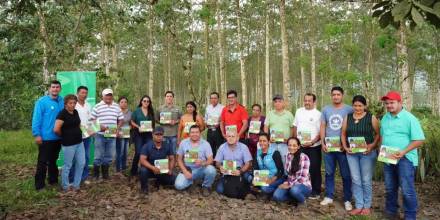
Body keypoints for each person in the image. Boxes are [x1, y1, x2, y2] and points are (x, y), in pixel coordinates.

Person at [380, 91, 425, 220]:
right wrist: (381, 149)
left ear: (400, 103)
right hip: (388, 157)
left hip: (405, 159)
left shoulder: (410, 118)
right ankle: (391, 212)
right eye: (387, 103)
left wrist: (403, 151)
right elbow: (383, 135)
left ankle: (410, 216)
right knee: (390, 187)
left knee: (407, 190)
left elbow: (419, 139)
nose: (389, 105)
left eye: (392, 102)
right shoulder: (385, 117)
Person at [341, 95, 380, 216]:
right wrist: (346, 147)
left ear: (365, 106)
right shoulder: (348, 117)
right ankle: (358, 205)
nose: (357, 108)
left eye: (360, 105)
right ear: (352, 106)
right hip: (352, 154)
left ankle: (367, 206)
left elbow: (378, 134)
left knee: (366, 180)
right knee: (356, 179)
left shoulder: (371, 117)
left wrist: (372, 146)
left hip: (367, 154)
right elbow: (343, 134)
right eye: (355, 105)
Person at [320, 86, 353, 211]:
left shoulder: (349, 109)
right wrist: (322, 142)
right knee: (329, 172)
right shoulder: (326, 109)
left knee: (345, 174)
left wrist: (347, 145)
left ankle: (347, 199)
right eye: (334, 94)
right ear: (331, 96)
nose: (336, 96)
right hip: (328, 147)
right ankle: (329, 196)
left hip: (343, 148)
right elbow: (323, 126)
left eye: (338, 94)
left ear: (342, 95)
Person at [32, 80, 64, 190]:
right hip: (45, 138)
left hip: (58, 137)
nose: (55, 89)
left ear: (60, 89)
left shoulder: (62, 101)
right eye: (53, 87)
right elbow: (36, 119)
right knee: (42, 162)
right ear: (49, 89)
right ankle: (39, 185)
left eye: (57, 87)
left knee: (53, 160)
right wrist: (37, 135)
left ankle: (53, 180)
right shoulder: (41, 102)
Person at [90, 88, 124, 180]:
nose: (108, 97)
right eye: (106, 95)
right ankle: (96, 175)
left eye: (110, 95)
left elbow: (121, 119)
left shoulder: (117, 106)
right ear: (103, 96)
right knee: (98, 155)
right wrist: (100, 126)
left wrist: (117, 128)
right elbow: (92, 119)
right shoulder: (97, 106)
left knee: (109, 155)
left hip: (112, 134)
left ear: (112, 96)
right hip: (100, 134)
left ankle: (105, 175)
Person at [293, 93, 322, 199]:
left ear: (314, 102)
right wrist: (295, 140)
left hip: (314, 146)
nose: (307, 102)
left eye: (309, 100)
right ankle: (301, 188)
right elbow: (295, 126)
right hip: (300, 146)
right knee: (299, 167)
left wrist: (312, 142)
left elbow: (320, 132)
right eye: (305, 100)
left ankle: (316, 191)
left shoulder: (319, 114)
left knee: (314, 168)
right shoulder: (299, 111)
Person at [53, 95, 85, 191]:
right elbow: (56, 129)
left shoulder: (75, 112)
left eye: (74, 103)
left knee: (81, 163)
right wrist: (64, 136)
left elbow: (79, 125)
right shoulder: (62, 114)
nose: (73, 105)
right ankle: (65, 186)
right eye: (70, 103)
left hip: (79, 142)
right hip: (68, 144)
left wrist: (87, 131)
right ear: (66, 104)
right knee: (67, 165)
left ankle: (76, 185)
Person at [175, 125, 217, 196]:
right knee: (178, 186)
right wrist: (185, 171)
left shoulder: (206, 144)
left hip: (201, 169)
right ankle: (191, 181)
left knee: (211, 170)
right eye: (192, 132)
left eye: (197, 132)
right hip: (188, 169)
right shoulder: (183, 143)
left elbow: (211, 160)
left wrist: (203, 163)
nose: (194, 134)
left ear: (200, 133)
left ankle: (206, 186)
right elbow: (179, 159)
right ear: (189, 134)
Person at [272, 137, 311, 208]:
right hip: (290, 183)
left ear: (298, 146)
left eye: (294, 145)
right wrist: (286, 183)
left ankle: (302, 201)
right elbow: (289, 175)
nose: (291, 147)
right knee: (276, 196)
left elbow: (302, 178)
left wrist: (289, 185)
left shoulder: (304, 157)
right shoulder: (288, 156)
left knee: (294, 190)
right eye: (289, 145)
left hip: (303, 185)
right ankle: (294, 199)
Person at [139, 126, 176, 195]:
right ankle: (144, 189)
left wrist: (170, 169)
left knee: (173, 180)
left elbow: (172, 158)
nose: (159, 136)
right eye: (156, 134)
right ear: (152, 135)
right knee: (143, 170)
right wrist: (153, 168)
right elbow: (142, 160)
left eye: (160, 134)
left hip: (161, 169)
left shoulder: (167, 145)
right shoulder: (147, 146)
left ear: (163, 135)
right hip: (149, 169)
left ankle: (159, 181)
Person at [215, 131, 253, 196]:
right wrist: (220, 167)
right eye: (229, 136)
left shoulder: (243, 147)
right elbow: (217, 162)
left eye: (233, 136)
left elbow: (248, 163)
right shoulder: (222, 147)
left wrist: (240, 171)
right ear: (226, 137)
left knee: (250, 178)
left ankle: (251, 188)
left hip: (240, 171)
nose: (231, 138)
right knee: (219, 190)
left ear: (237, 138)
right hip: (227, 172)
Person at [249, 133, 284, 198]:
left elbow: (281, 170)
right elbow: (255, 167)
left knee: (264, 188)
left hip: (275, 177)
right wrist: (256, 177)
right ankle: (261, 190)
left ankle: (273, 191)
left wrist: (272, 179)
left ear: (269, 142)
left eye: (264, 141)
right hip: (263, 176)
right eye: (260, 141)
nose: (262, 143)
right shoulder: (257, 152)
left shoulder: (275, 153)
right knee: (250, 178)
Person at [263, 94, 294, 165]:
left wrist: (289, 140)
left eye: (279, 101)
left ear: (283, 103)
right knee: (272, 161)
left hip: (285, 144)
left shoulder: (289, 114)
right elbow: (266, 127)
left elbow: (292, 128)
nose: (277, 103)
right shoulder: (270, 114)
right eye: (275, 101)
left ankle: (286, 175)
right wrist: (267, 138)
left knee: (285, 161)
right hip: (272, 143)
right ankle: (275, 176)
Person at [72, 86, 92, 184]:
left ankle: (84, 177)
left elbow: (90, 120)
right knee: (75, 158)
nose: (84, 95)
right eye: (82, 92)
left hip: (87, 136)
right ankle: (72, 178)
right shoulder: (73, 105)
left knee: (86, 157)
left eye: (86, 93)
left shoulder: (88, 105)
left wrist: (93, 130)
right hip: (75, 136)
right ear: (77, 93)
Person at [131, 95, 155, 176]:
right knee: (138, 152)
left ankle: (145, 170)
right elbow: (132, 121)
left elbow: (153, 123)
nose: (146, 102)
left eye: (148, 101)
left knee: (148, 152)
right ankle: (133, 171)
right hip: (139, 134)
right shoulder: (137, 111)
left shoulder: (151, 111)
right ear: (141, 102)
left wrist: (152, 130)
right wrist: (138, 127)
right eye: (144, 101)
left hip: (148, 135)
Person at [205, 92, 224, 157]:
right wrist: (206, 123)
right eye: (212, 98)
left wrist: (219, 123)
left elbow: (223, 120)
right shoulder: (208, 108)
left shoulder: (222, 108)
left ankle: (219, 163)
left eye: (215, 98)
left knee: (220, 147)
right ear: (210, 99)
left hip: (219, 130)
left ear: (218, 99)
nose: (213, 100)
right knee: (210, 147)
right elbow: (206, 118)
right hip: (210, 130)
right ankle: (212, 162)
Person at [115, 96, 132, 173]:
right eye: (122, 102)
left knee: (125, 151)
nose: (124, 103)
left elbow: (131, 123)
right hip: (119, 134)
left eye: (125, 102)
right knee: (120, 151)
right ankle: (118, 169)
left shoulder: (130, 112)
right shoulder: (116, 112)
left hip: (127, 133)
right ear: (119, 103)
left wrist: (130, 127)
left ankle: (124, 167)